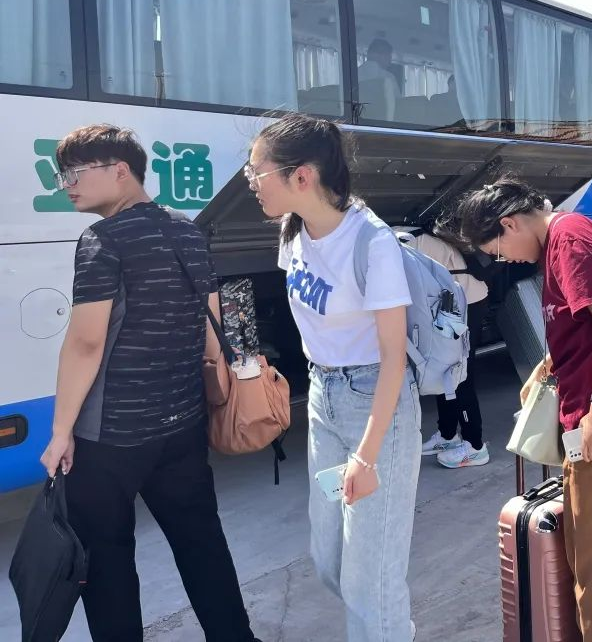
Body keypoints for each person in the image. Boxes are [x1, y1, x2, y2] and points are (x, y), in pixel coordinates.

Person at [39, 124, 258, 641]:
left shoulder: (103, 239)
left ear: (120, 171)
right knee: (202, 542)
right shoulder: (188, 231)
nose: (66, 185)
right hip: (181, 426)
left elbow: (86, 343)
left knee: (107, 560)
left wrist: (60, 432)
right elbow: (211, 328)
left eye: (74, 173)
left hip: (110, 437)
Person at [454, 178, 592, 641]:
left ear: (509, 224)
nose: (506, 259)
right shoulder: (567, 236)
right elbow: (590, 324)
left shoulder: (569, 241)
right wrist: (552, 363)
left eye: (497, 250)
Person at [248, 114, 420, 641]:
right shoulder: (293, 230)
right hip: (324, 399)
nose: (251, 182)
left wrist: (366, 457)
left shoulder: (371, 242)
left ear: (301, 176)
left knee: (371, 580)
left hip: (376, 404)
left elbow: (394, 358)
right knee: (330, 559)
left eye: (257, 171)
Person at [414, 230, 491, 467]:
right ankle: (447, 436)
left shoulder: (399, 240)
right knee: (441, 366)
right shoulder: (406, 235)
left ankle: (475, 446)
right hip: (450, 301)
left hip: (466, 301)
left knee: (459, 370)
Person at [357, 38, 401, 121]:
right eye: (388, 55)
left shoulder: (354, 74)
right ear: (377, 55)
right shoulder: (388, 77)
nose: (390, 60)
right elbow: (399, 105)